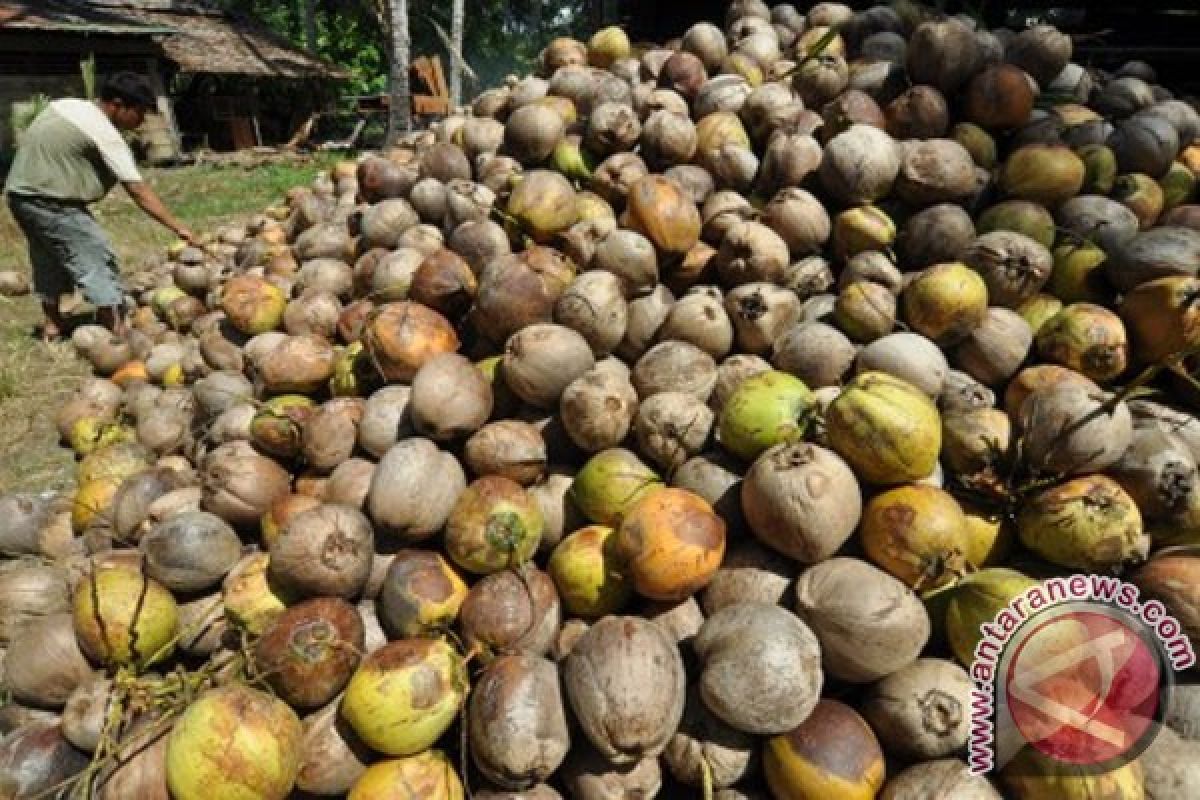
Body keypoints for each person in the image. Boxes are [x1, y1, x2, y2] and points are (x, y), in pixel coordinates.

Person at [4, 72, 195, 339]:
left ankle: (52, 325)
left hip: (19, 195)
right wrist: (179, 228)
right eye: (138, 112)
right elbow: (139, 191)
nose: (140, 121)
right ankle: (115, 328)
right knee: (95, 256)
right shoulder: (105, 134)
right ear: (117, 104)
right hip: (55, 203)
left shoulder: (65, 106)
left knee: (48, 258)